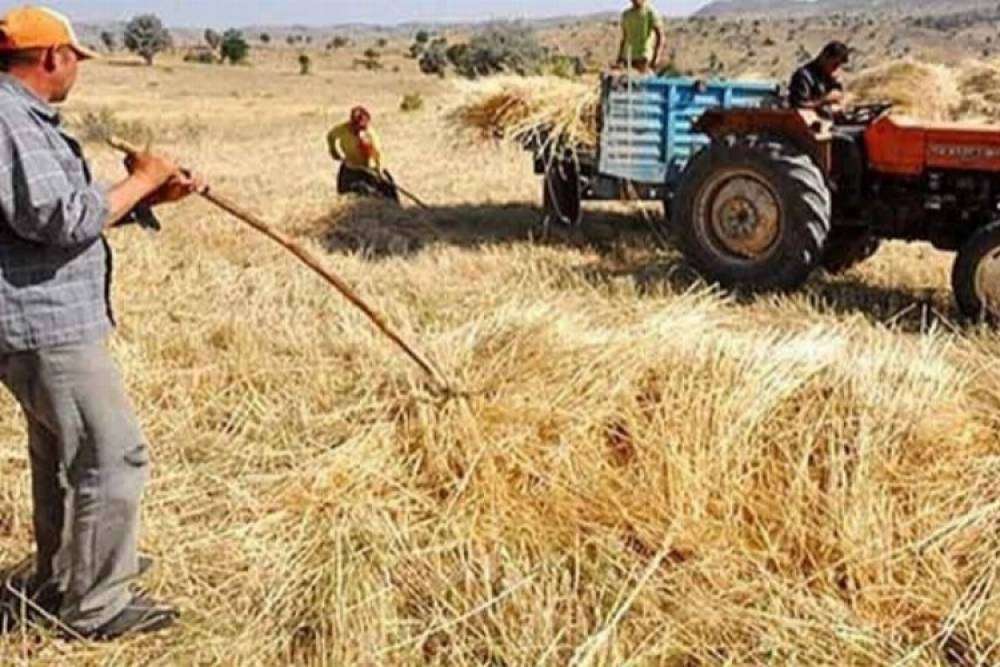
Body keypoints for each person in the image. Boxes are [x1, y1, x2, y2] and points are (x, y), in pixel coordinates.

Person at [0, 6, 202, 640]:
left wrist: (146, 194)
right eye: (74, 60)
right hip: (44, 323)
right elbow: (57, 219)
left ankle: (66, 577)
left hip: (39, 319)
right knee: (114, 456)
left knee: (63, 458)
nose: (76, 73)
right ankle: (98, 608)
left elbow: (63, 213)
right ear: (52, 57)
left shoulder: (21, 117)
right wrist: (140, 178)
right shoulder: (9, 119)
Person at [327, 106, 400, 203]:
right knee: (345, 195)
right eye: (358, 126)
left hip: (370, 169)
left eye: (364, 126)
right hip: (351, 168)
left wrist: (379, 171)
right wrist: (333, 150)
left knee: (387, 195)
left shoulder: (370, 135)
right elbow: (331, 136)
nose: (361, 129)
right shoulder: (343, 129)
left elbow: (378, 154)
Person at [789, 41, 850, 113]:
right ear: (825, 57)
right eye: (834, 65)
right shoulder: (803, 77)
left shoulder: (829, 77)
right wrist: (824, 100)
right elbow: (798, 105)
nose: (836, 69)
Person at [617, 0, 664, 74]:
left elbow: (660, 36)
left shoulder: (650, 13)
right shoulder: (626, 14)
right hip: (628, 56)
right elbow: (625, 37)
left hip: (644, 56)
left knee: (642, 82)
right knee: (628, 83)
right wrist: (620, 57)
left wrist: (656, 57)